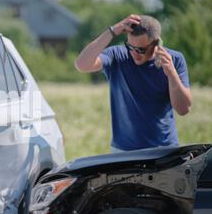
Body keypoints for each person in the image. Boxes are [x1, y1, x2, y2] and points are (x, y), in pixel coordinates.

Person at [75, 14, 192, 152]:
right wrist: (112, 31)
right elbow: (82, 65)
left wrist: (171, 73)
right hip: (123, 151)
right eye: (129, 46)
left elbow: (183, 109)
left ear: (156, 44)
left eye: (140, 50)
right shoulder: (117, 55)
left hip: (164, 150)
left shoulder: (175, 60)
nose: (134, 53)